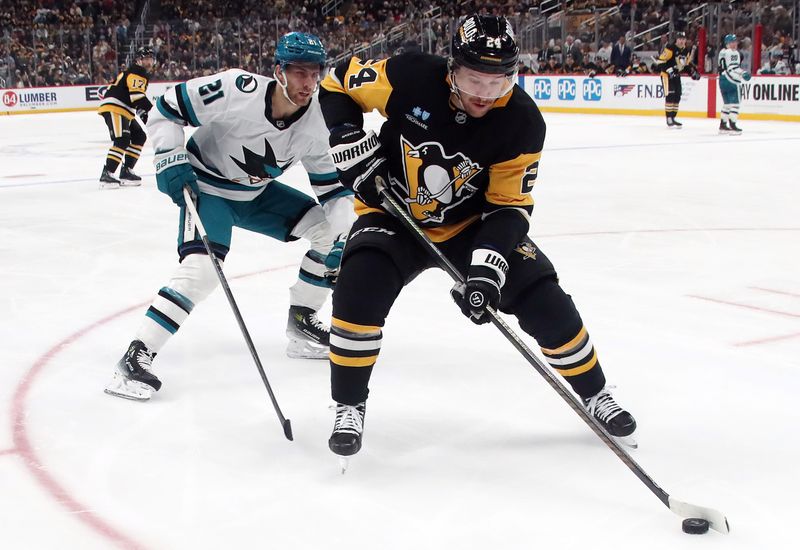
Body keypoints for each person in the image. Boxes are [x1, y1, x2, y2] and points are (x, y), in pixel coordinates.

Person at [318, 15, 638, 460]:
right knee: (358, 289)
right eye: (473, 79)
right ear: (452, 68)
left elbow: (508, 208)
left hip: (471, 226)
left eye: (498, 82)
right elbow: (336, 83)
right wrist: (347, 136)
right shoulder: (409, 76)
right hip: (393, 211)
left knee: (542, 296)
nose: (484, 94)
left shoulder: (522, 122)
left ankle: (596, 393)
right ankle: (349, 403)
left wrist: (488, 270)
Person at [105, 32, 355, 401]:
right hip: (208, 190)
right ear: (279, 71)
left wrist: (343, 234)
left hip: (256, 195)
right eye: (300, 72)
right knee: (203, 270)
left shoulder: (318, 122)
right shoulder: (236, 90)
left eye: (315, 72)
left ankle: (302, 321)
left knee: (328, 232)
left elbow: (333, 193)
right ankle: (136, 354)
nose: (309, 82)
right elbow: (165, 108)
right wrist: (169, 157)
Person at [98, 46, 155, 188]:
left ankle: (126, 171)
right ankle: (107, 174)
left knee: (139, 136)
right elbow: (138, 98)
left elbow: (136, 100)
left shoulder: (138, 73)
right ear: (138, 61)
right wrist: (155, 112)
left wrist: (148, 118)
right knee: (122, 139)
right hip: (115, 107)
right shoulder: (137, 72)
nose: (149, 62)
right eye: (146, 59)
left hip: (124, 109)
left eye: (151, 59)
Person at [655, 32, 700, 129]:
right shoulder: (670, 48)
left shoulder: (685, 50)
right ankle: (669, 118)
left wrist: (693, 73)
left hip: (676, 75)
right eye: (680, 39)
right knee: (670, 95)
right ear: (676, 39)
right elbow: (660, 62)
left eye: (683, 39)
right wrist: (669, 70)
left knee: (677, 95)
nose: (682, 41)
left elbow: (686, 65)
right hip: (666, 76)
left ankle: (673, 117)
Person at [718, 34, 751, 134]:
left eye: (735, 42)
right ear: (727, 43)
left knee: (727, 104)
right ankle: (733, 125)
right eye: (732, 42)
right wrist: (743, 73)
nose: (734, 44)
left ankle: (723, 125)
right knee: (735, 104)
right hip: (731, 79)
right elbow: (732, 68)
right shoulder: (733, 53)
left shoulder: (722, 52)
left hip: (722, 79)